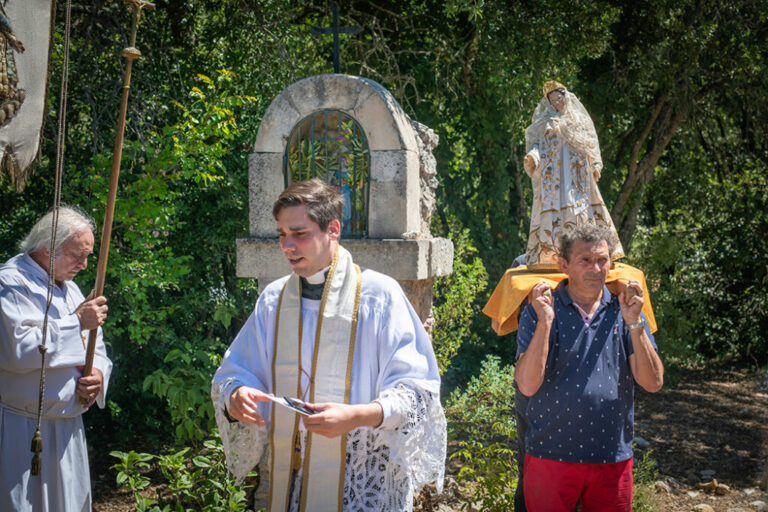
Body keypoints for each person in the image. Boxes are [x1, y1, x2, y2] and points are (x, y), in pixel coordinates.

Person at [211, 179, 446, 512]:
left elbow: (417, 391)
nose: (287, 246)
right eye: (282, 235)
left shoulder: (379, 297)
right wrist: (236, 396)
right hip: (293, 482)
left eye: (299, 234)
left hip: (362, 481)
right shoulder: (274, 301)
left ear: (333, 229)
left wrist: (356, 415)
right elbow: (237, 371)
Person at [514, 223, 663, 511]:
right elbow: (528, 384)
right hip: (550, 456)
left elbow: (653, 382)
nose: (596, 268)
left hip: (612, 457)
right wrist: (545, 321)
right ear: (563, 264)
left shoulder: (626, 308)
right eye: (585, 260)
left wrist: (635, 322)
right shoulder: (540, 308)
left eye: (602, 260)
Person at [0, 206, 112, 512]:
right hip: (22, 430)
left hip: (68, 431)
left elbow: (95, 347)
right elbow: (17, 350)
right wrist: (76, 322)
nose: (85, 264)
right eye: (78, 255)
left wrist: (97, 376)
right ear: (49, 247)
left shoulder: (72, 290)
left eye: (89, 255)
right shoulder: (11, 284)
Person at [523, 80, 624, 270]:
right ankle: (552, 256)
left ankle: (593, 253)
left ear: (565, 97)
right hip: (555, 182)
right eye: (552, 100)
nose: (556, 102)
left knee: (582, 211)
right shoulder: (545, 124)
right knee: (555, 214)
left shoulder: (578, 120)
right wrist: (533, 157)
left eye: (559, 98)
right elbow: (538, 146)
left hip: (578, 177)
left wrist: (595, 163)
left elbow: (590, 141)